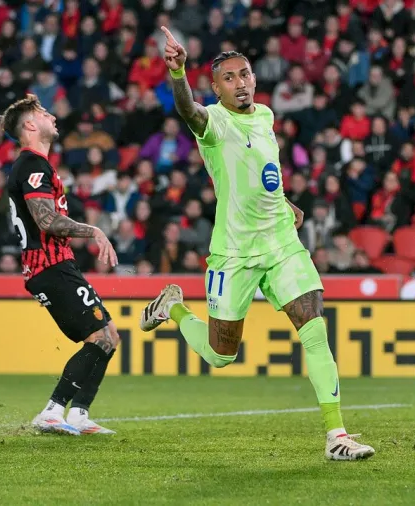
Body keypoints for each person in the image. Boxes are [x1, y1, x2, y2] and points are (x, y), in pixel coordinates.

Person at [139, 27, 375, 461]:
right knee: (220, 354)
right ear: (217, 87)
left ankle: (337, 437)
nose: (241, 82)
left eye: (245, 74)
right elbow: (188, 110)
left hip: (282, 243)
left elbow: (263, 168)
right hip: (234, 253)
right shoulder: (214, 122)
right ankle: (171, 306)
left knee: (316, 333)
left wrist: (285, 201)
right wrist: (177, 73)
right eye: (229, 78)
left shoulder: (265, 116)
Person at [0, 94, 120, 436]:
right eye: (42, 112)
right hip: (49, 268)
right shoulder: (32, 164)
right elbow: (46, 219)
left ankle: (79, 413)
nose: (51, 115)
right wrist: (94, 230)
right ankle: (52, 411)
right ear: (29, 125)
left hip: (54, 267)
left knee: (109, 336)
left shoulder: (36, 165)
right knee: (99, 337)